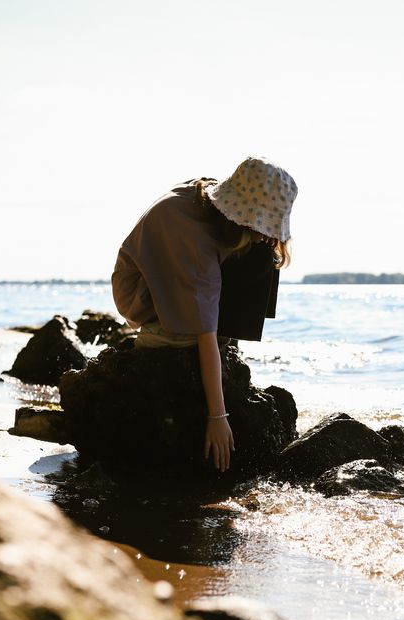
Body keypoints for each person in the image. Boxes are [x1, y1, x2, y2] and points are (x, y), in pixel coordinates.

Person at [110, 157, 297, 473]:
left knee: (264, 257)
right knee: (197, 336)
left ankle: (200, 332)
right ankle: (160, 335)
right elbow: (205, 334)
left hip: (173, 273)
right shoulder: (194, 242)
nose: (267, 234)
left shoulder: (215, 203)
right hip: (141, 293)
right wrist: (217, 417)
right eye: (263, 225)